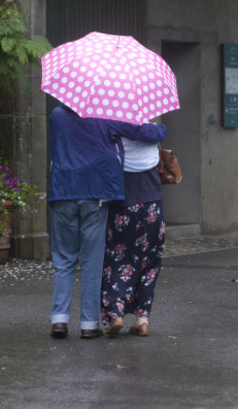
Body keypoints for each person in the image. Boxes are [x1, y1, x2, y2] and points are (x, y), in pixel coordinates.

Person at [48, 104, 166, 340]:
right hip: (95, 192)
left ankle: (59, 320)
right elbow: (142, 132)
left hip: (63, 190)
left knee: (64, 260)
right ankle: (89, 324)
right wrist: (159, 129)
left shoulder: (56, 116)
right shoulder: (103, 113)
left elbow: (56, 149)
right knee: (92, 261)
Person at [100, 136, 165, 337]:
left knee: (119, 260)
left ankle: (116, 313)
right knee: (150, 263)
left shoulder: (115, 134)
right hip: (154, 205)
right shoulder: (155, 131)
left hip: (124, 206)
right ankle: (142, 320)